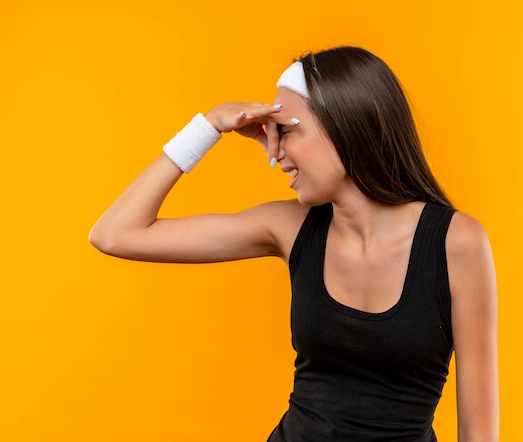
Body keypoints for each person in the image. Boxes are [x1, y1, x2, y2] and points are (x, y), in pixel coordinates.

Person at [89, 46, 499, 441]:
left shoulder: (456, 243)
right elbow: (115, 234)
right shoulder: (288, 226)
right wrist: (209, 126)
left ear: (345, 124)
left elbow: (479, 433)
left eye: (285, 132)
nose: (276, 152)